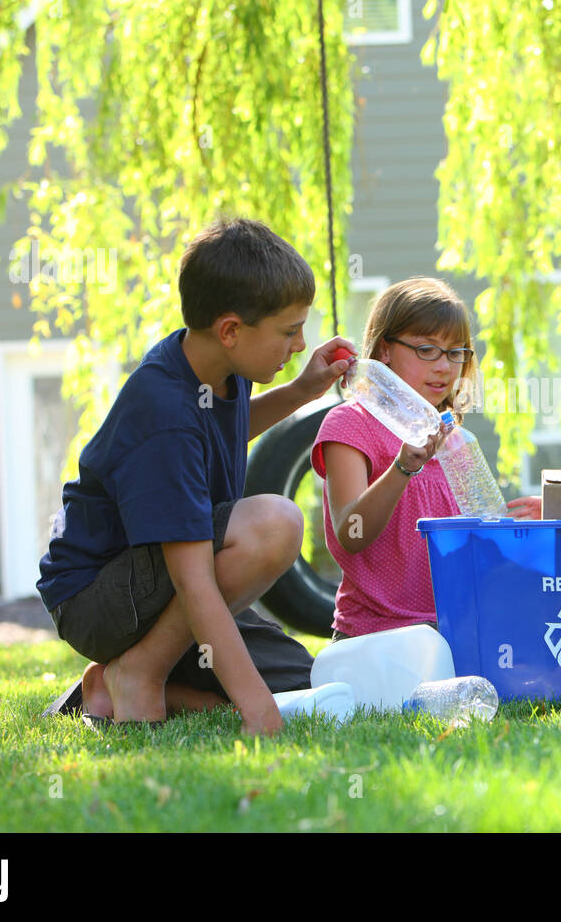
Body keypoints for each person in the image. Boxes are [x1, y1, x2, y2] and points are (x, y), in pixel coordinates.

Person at [37, 217, 354, 734]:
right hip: (98, 596)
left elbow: (219, 431)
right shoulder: (163, 406)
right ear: (231, 330)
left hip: (155, 589)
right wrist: (258, 712)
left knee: (300, 680)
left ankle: (107, 685)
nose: (299, 345)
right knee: (274, 523)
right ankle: (141, 671)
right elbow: (191, 578)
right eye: (289, 331)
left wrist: (300, 392)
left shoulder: (213, 366)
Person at [312, 277, 540, 642]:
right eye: (427, 350)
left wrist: (519, 527)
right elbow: (351, 533)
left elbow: (477, 546)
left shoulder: (454, 439)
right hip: (377, 635)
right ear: (385, 350)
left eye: (456, 352)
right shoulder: (351, 424)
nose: (444, 367)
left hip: (455, 628)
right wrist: (402, 468)